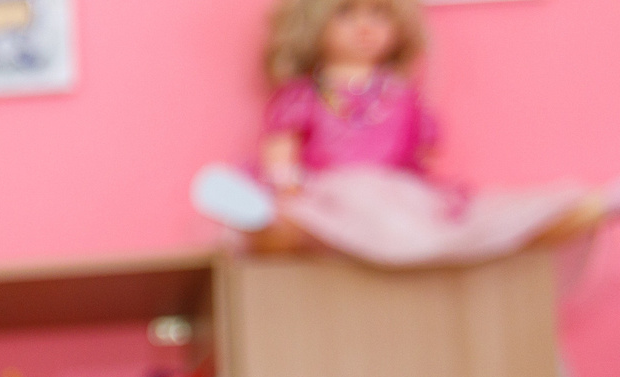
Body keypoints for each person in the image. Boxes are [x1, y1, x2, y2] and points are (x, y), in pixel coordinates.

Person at [189, 0, 610, 267]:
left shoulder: (404, 96)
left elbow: (416, 160)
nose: (364, 26)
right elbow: (281, 152)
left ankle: (582, 207)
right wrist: (284, 184)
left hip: (396, 199)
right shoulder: (303, 95)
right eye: (347, 13)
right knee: (300, 230)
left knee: (477, 222)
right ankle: (255, 218)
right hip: (328, 198)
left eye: (378, 13)